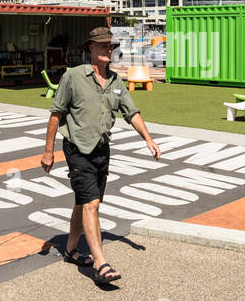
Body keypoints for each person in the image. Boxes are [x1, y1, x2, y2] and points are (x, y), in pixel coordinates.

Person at [41, 26, 161, 285]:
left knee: (83, 202)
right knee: (91, 203)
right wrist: (48, 151)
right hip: (77, 148)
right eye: (104, 45)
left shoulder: (117, 82)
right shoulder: (73, 77)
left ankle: (72, 249)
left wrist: (148, 139)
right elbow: (56, 115)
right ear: (91, 49)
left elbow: (132, 113)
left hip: (101, 150)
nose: (109, 50)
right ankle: (100, 263)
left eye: (111, 46)